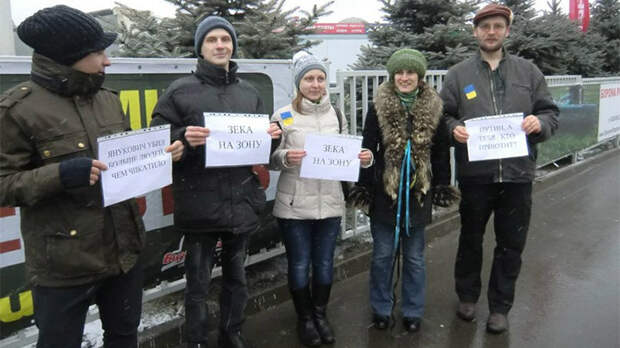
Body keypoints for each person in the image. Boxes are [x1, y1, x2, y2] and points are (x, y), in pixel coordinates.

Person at [0, 5, 182, 348]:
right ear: (68, 56)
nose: (107, 61)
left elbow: (125, 160)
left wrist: (161, 155)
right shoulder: (17, 110)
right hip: (63, 266)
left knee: (124, 338)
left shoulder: (108, 101)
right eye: (98, 52)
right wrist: (60, 174)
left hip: (122, 254)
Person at [150, 16, 281, 348]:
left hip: (241, 201)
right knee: (197, 284)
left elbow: (259, 148)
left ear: (233, 44)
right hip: (200, 204)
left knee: (237, 279)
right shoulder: (180, 92)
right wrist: (182, 137)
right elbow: (158, 141)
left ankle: (231, 332)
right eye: (212, 40)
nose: (220, 45)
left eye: (225, 39)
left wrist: (273, 137)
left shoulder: (248, 92)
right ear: (201, 48)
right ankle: (196, 340)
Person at [440, 3, 559, 334]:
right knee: (470, 239)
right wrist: (453, 130)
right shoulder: (458, 74)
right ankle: (466, 296)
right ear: (475, 32)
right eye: (485, 27)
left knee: (511, 244)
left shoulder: (528, 72)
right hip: (476, 176)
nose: (491, 32)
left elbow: (550, 112)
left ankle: (500, 306)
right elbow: (444, 116)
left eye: (497, 26)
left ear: (506, 30)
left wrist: (540, 123)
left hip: (518, 175)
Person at [349, 49, 459, 333]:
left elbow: (440, 152)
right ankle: (381, 307)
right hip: (385, 192)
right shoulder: (379, 107)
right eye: (400, 72)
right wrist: (363, 186)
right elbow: (368, 148)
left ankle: (412, 309)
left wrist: (442, 186)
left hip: (417, 193)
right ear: (393, 75)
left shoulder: (435, 106)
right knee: (383, 255)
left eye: (410, 72)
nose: (405, 77)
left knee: (414, 257)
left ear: (420, 76)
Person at [269, 52, 372, 346]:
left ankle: (320, 314)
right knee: (300, 264)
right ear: (299, 83)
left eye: (320, 78)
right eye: (309, 78)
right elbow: (271, 160)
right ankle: (304, 319)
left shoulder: (336, 114)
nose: (315, 84)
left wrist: (364, 158)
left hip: (329, 202)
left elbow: (347, 152)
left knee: (325, 262)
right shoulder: (283, 114)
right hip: (293, 204)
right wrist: (286, 156)